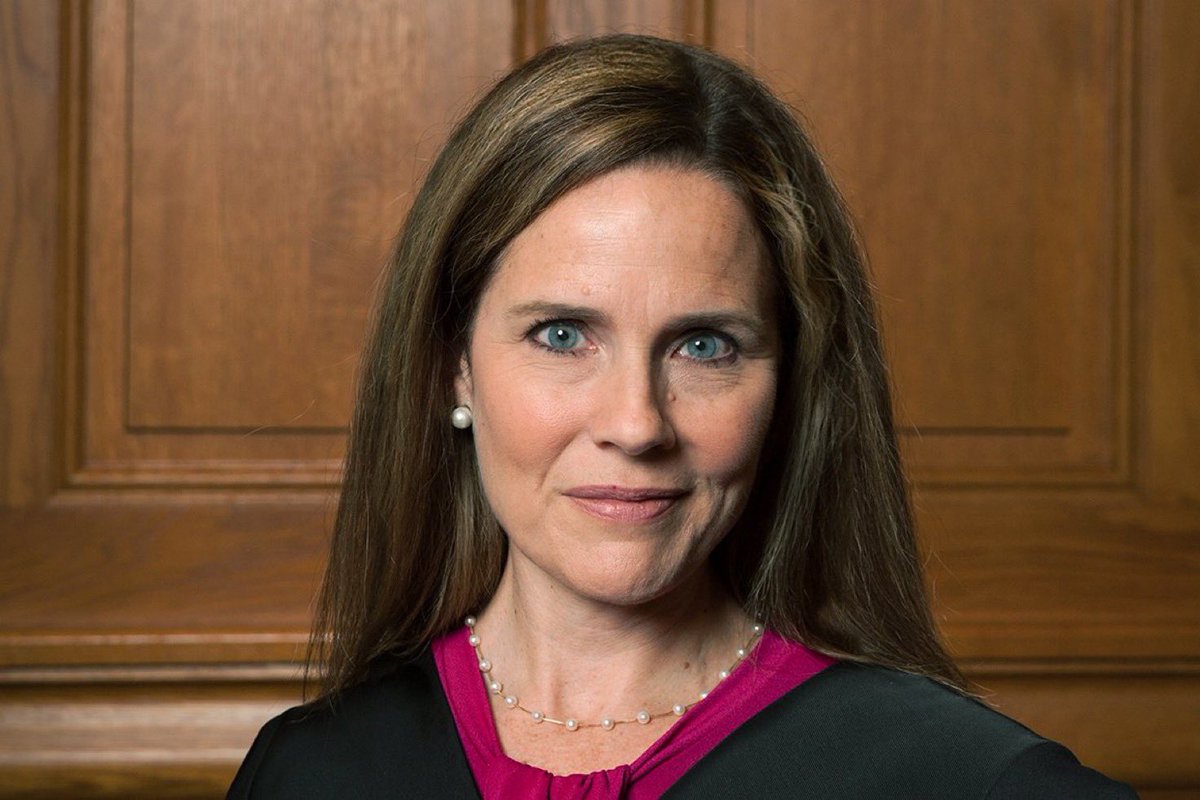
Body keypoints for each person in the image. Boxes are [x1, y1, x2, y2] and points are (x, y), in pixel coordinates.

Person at [228, 34, 1136, 799]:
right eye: (561, 334)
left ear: (790, 386)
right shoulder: (311, 771)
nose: (637, 424)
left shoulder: (968, 782)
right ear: (451, 366)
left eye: (704, 346)